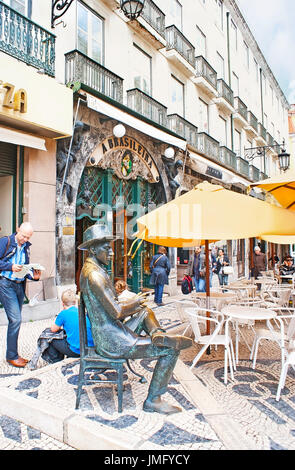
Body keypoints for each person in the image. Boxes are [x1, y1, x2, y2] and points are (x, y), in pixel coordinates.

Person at [79, 223, 192, 415]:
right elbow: (116, 312)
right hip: (113, 341)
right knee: (171, 350)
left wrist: (136, 305)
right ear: (93, 249)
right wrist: (135, 302)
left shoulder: (94, 269)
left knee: (145, 311)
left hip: (112, 330)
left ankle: (158, 334)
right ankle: (153, 400)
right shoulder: (94, 275)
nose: (112, 253)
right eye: (107, 249)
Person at [0, 222, 41, 367]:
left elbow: (24, 269)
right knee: (16, 320)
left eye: (28, 237)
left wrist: (33, 276)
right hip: (6, 284)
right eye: (23, 236)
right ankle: (11, 356)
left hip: (19, 286)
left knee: (15, 321)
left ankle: (13, 354)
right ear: (18, 230)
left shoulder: (26, 247)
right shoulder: (6, 241)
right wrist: (10, 267)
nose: (25, 239)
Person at [46, 289, 95, 361]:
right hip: (89, 348)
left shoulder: (63, 314)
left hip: (76, 351)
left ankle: (56, 361)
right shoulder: (81, 311)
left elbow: (53, 329)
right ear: (75, 302)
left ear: (62, 303)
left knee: (50, 339)